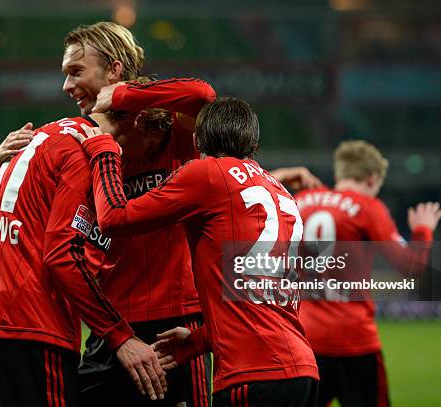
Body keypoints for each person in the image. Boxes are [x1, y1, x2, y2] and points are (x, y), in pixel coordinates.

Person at [73, 97, 320, 407]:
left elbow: (114, 219)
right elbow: (266, 298)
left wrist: (104, 152)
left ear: (196, 139)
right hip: (302, 369)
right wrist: (202, 339)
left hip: (252, 375)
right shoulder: (278, 189)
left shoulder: (207, 174)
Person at [0, 112, 167, 406]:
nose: (146, 158)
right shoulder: (84, 149)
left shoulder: (40, 136)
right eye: (151, 146)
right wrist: (120, 336)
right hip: (35, 324)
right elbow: (62, 255)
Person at [294, 140, 441, 407]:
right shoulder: (367, 207)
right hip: (353, 340)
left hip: (305, 340)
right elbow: (410, 266)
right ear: (373, 178)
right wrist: (423, 231)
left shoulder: (300, 201)